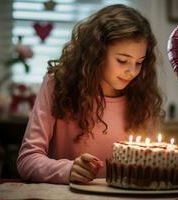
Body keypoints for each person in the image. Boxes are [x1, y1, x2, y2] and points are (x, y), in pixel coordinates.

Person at [17, 4, 164, 185]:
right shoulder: (57, 85)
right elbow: (27, 160)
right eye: (123, 60)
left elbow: (150, 165)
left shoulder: (142, 97)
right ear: (97, 53)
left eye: (139, 63)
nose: (132, 72)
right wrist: (67, 170)